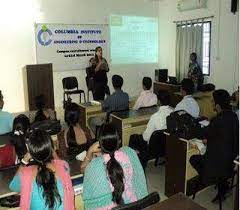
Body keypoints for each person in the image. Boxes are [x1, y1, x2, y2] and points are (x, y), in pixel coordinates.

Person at [82, 124, 148, 209]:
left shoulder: (93, 166)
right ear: (119, 141)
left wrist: (90, 151)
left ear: (99, 144)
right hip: (133, 205)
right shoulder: (129, 152)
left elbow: (83, 170)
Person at [190, 89, 239, 201]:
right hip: (231, 165)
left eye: (212, 102)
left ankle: (208, 179)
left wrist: (195, 128)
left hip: (216, 167)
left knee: (193, 159)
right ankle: (223, 184)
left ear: (217, 105)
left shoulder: (217, 120)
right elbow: (225, 136)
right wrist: (211, 139)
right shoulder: (234, 117)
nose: (211, 103)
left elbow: (201, 134)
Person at [9, 129, 75, 210]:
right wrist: (52, 151)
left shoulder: (26, 173)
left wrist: (24, 160)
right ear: (51, 148)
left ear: (30, 151)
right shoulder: (64, 166)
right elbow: (59, 163)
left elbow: (13, 186)